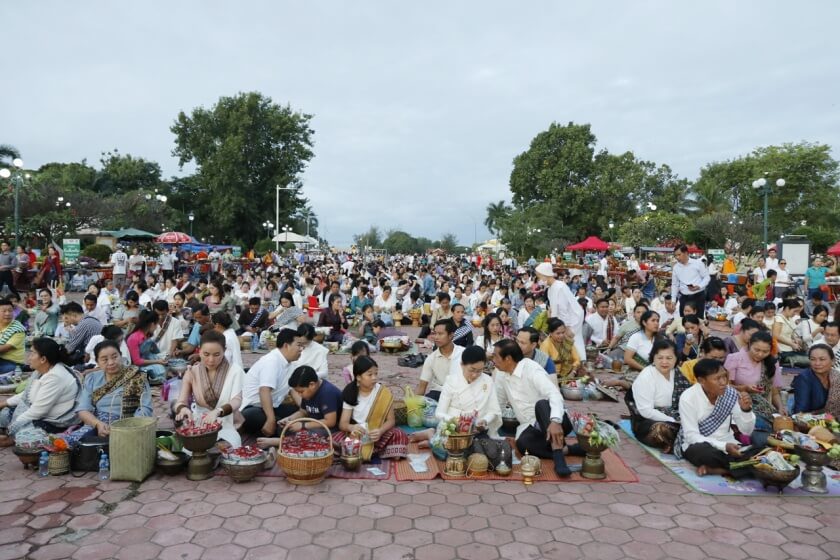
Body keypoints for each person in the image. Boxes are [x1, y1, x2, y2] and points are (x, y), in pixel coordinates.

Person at [492, 339, 583, 477]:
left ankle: (559, 458)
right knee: (522, 445)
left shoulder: (532, 369)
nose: (493, 360)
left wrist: (555, 421)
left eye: (495, 356)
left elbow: (554, 394)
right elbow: (497, 404)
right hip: (530, 427)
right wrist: (489, 429)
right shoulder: (500, 374)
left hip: (554, 419)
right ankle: (567, 450)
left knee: (541, 404)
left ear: (508, 359)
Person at [674, 358, 757, 478]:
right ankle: (739, 468)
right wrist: (724, 447)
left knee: (762, 451)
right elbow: (691, 436)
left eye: (725, 377)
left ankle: (719, 470)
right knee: (704, 453)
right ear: (701, 380)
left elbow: (747, 431)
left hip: (730, 443)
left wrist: (746, 410)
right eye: (717, 379)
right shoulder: (688, 398)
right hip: (703, 446)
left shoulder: (730, 394)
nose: (724, 382)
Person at [65, 340, 154, 446]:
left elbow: (145, 408)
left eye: (114, 357)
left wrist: (127, 427)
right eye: (105, 359)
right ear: (97, 362)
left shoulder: (137, 377)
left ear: (121, 356)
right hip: (99, 423)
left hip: (127, 424)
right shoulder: (92, 378)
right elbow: (83, 409)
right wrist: (97, 424)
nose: (111, 362)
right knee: (73, 443)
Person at [0, 338, 79, 447]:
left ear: (43, 359)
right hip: (40, 414)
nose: (29, 357)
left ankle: (11, 437)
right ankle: (9, 431)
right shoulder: (41, 371)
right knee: (5, 412)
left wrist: (12, 429)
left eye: (32, 353)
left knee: (24, 436)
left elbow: (37, 411)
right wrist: (4, 403)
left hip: (54, 422)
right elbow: (27, 394)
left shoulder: (56, 377)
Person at [174, 330, 245, 448]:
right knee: (186, 447)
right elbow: (181, 401)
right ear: (199, 351)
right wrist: (183, 409)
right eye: (206, 354)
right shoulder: (192, 371)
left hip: (225, 423)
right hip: (199, 423)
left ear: (225, 350)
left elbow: (236, 400)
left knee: (230, 444)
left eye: (217, 355)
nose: (211, 360)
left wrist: (218, 411)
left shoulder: (235, 371)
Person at [335, 356, 408, 461]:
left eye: (376, 374)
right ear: (359, 377)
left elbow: (391, 421)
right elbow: (343, 424)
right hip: (357, 436)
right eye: (370, 374)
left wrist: (380, 431)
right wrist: (352, 428)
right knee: (333, 440)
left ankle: (359, 453)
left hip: (377, 435)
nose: (374, 377)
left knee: (399, 434)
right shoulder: (349, 392)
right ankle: (374, 452)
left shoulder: (383, 392)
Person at [625, 339, 692, 452]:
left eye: (669, 358)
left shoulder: (677, 372)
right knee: (660, 430)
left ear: (676, 358)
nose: (664, 362)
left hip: (678, 416)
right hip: (649, 420)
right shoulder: (646, 376)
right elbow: (646, 411)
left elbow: (690, 398)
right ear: (653, 358)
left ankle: (680, 442)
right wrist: (673, 420)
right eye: (660, 358)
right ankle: (680, 443)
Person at [257, 366, 344, 449]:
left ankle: (279, 442)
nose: (299, 395)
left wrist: (303, 425)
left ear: (312, 385)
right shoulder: (308, 392)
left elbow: (330, 422)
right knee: (284, 428)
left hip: (331, 428)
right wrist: (289, 419)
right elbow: (303, 411)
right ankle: (289, 440)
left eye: (301, 392)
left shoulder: (327, 393)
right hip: (314, 423)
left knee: (311, 436)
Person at [239, 328, 305, 437]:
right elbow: (264, 391)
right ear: (286, 345)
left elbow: (293, 390)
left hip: (273, 406)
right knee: (253, 416)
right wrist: (271, 420)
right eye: (298, 345)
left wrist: (303, 410)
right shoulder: (272, 361)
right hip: (253, 408)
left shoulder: (291, 365)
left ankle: (278, 429)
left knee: (299, 413)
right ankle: (276, 430)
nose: (301, 349)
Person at [724, 330, 784, 432]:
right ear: (749, 345)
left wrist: (781, 407)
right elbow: (724, 387)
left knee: (782, 428)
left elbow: (774, 392)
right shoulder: (734, 359)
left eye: (765, 352)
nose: (760, 354)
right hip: (738, 405)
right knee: (760, 428)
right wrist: (744, 388)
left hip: (764, 408)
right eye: (756, 350)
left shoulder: (771, 364)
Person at [536, 262, 585, 359]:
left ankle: (579, 365)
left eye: (539, 277)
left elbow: (564, 309)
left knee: (574, 347)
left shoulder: (559, 287)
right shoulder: (551, 289)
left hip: (570, 323)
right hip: (561, 323)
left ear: (545, 275)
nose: (539, 280)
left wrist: (566, 328)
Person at [417, 319, 464, 401]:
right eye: (435, 333)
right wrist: (414, 406)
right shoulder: (431, 358)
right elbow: (422, 386)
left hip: (460, 393)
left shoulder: (463, 353)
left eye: (440, 334)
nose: (436, 337)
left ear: (451, 335)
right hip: (438, 392)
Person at [791, 344, 840, 417]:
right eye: (813, 359)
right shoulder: (804, 379)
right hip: (808, 422)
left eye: (822, 359)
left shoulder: (836, 377)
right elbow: (800, 413)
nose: (817, 363)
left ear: (832, 361)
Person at [125, 309, 168, 384]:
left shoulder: (147, 335)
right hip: (139, 366)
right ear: (152, 324)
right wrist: (157, 361)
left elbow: (154, 351)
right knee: (159, 370)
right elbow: (137, 361)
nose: (156, 327)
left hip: (148, 359)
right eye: (156, 325)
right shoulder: (134, 338)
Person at [671, 244, 710, 319]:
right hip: (684, 297)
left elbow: (706, 277)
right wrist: (673, 300)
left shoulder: (698, 263)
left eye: (679, 255)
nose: (677, 257)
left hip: (698, 296)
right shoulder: (676, 267)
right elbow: (675, 284)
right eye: (675, 255)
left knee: (698, 320)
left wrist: (699, 286)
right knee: (684, 320)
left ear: (686, 253)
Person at [773, 298, 805, 363]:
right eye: (795, 311)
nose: (795, 314)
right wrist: (791, 344)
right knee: (807, 361)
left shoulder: (790, 318)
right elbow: (776, 335)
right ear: (787, 308)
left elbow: (791, 333)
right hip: (782, 350)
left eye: (797, 311)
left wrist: (795, 339)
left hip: (790, 349)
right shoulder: (779, 318)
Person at [0, 298, 26, 375]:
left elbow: (3, 349)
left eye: (10, 311)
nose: (7, 314)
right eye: (4, 311)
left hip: (12, 364)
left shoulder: (18, 329)